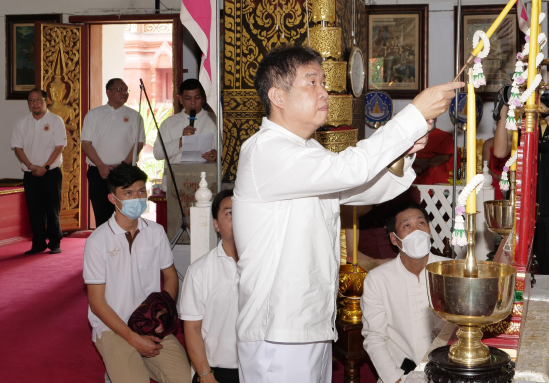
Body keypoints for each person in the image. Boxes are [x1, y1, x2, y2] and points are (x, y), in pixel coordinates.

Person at [232, 45, 462, 383]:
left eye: (324, 82)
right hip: (277, 330)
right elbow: (349, 169)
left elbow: (362, 189)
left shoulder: (307, 150)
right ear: (277, 96)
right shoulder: (266, 150)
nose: (324, 91)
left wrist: (404, 150)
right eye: (312, 82)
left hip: (309, 321)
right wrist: (411, 115)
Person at [83, 164, 191, 383]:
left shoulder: (156, 232)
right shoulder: (97, 241)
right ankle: (120, 366)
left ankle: (128, 364)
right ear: (113, 198)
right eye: (128, 193)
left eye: (141, 191)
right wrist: (132, 338)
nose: (137, 197)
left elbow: (170, 277)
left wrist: (162, 313)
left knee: (184, 379)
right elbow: (96, 302)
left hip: (148, 321)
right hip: (113, 327)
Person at [495, 64, 549, 277]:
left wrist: (548, 115)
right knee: (514, 269)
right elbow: (499, 151)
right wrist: (505, 109)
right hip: (520, 204)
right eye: (540, 86)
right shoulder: (521, 119)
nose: (544, 90)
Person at [361, 204, 449, 383]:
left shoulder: (451, 270)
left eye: (421, 223)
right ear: (394, 239)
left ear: (430, 231)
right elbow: (375, 336)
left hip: (448, 372)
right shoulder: (378, 279)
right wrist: (395, 379)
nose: (417, 231)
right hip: (400, 374)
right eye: (407, 226)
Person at [179, 189, 240, 383]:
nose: (238, 219)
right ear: (216, 224)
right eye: (230, 213)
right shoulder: (200, 270)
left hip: (261, 368)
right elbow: (192, 329)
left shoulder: (266, 266)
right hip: (218, 372)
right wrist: (205, 375)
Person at [81, 78, 145, 228]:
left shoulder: (135, 116)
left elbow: (139, 143)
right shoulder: (94, 114)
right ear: (108, 92)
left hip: (124, 172)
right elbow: (86, 143)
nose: (124, 93)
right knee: (102, 214)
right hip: (98, 172)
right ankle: (104, 249)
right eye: (120, 90)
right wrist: (100, 165)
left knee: (126, 214)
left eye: (126, 90)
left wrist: (124, 165)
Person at [12, 88, 67, 255]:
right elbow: (17, 148)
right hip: (30, 172)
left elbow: (59, 147)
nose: (34, 103)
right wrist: (30, 166)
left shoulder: (56, 121)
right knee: (34, 209)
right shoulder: (22, 122)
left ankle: (55, 242)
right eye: (30, 101)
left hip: (50, 172)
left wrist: (45, 167)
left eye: (38, 100)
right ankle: (38, 243)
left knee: (52, 209)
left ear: (46, 101)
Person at [153, 78, 218, 166]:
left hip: (205, 175)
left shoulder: (214, 120)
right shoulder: (168, 123)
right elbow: (157, 153)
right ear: (180, 99)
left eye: (197, 98)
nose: (193, 103)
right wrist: (180, 141)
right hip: (176, 177)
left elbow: (224, 149)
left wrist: (216, 154)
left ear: (203, 98)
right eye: (188, 98)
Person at [412, 119, 455, 185]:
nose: (429, 121)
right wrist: (414, 160)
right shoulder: (411, 136)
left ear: (435, 119)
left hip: (434, 170)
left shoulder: (442, 135)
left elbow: (445, 157)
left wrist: (423, 166)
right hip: (413, 170)